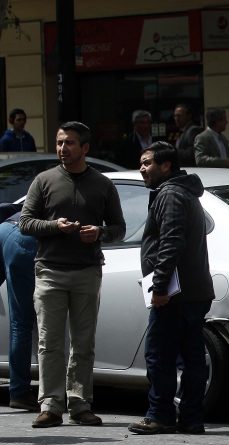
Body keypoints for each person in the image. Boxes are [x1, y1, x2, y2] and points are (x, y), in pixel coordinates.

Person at [19, 121, 126, 428]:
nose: (63, 149)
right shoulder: (43, 180)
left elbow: (119, 228)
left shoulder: (103, 184)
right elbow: (25, 222)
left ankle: (80, 403)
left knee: (83, 343)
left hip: (87, 271)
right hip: (50, 271)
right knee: (49, 343)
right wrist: (55, 226)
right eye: (59, 143)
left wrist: (100, 232)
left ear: (85, 148)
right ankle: (51, 405)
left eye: (69, 143)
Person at [127, 142, 214, 435]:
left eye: (147, 163)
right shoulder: (181, 191)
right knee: (190, 356)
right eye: (141, 163)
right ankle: (191, 418)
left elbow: (172, 241)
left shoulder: (171, 194)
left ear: (166, 166)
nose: (142, 168)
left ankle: (161, 415)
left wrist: (160, 285)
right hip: (192, 291)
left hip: (177, 293)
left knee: (160, 353)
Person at [0, 205, 38, 411]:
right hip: (25, 238)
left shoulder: (48, 179)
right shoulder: (93, 188)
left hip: (6, 228)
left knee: (19, 323)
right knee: (21, 323)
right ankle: (20, 392)